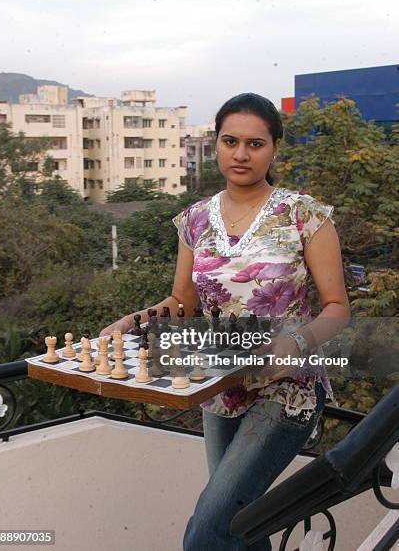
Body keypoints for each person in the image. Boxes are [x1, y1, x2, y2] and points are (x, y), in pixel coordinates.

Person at [100, 93, 350, 550]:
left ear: (274, 148)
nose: (240, 154)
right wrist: (132, 321)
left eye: (255, 143)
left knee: (207, 532)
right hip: (218, 388)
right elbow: (182, 301)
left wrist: (296, 341)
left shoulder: (304, 215)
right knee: (242, 525)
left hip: (285, 388)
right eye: (230, 141)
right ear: (215, 143)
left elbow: (337, 308)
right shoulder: (195, 220)